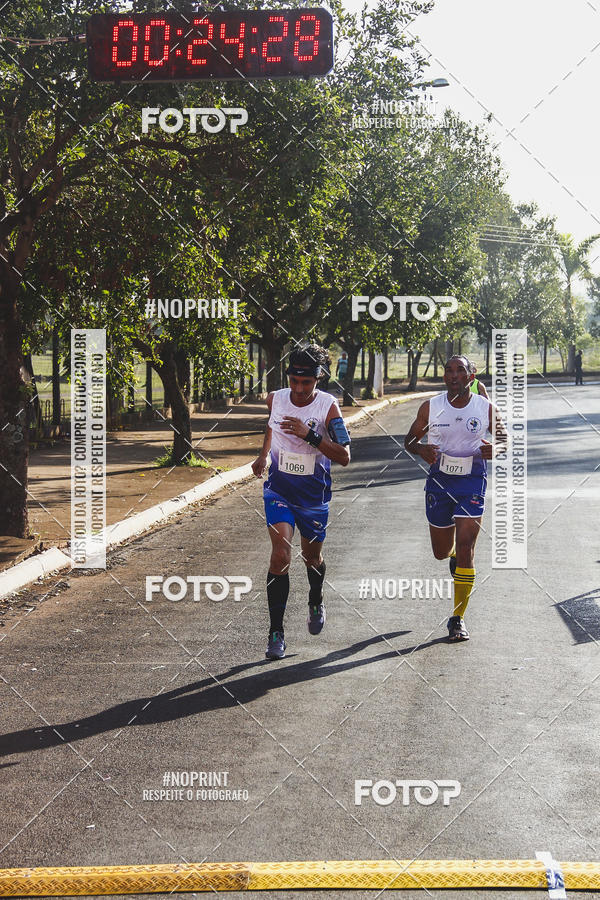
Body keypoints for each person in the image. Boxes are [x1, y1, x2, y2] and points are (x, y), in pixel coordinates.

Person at [251, 345, 351, 660]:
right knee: (280, 554)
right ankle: (276, 632)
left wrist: (310, 436)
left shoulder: (328, 407)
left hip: (313, 497)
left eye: (306, 383)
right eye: (294, 380)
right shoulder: (276, 398)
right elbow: (271, 424)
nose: (299, 389)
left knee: (311, 558)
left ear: (318, 378)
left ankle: (316, 596)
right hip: (279, 490)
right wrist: (263, 454)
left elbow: (345, 456)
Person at [403, 355, 506, 642]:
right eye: (449, 370)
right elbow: (409, 440)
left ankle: (458, 617)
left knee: (466, 546)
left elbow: (504, 438)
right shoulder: (431, 407)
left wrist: (495, 449)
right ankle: (451, 557)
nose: (453, 375)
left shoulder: (485, 408)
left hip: (472, 481)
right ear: (445, 376)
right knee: (441, 551)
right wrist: (421, 450)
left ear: (471, 377)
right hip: (440, 481)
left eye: (460, 370)